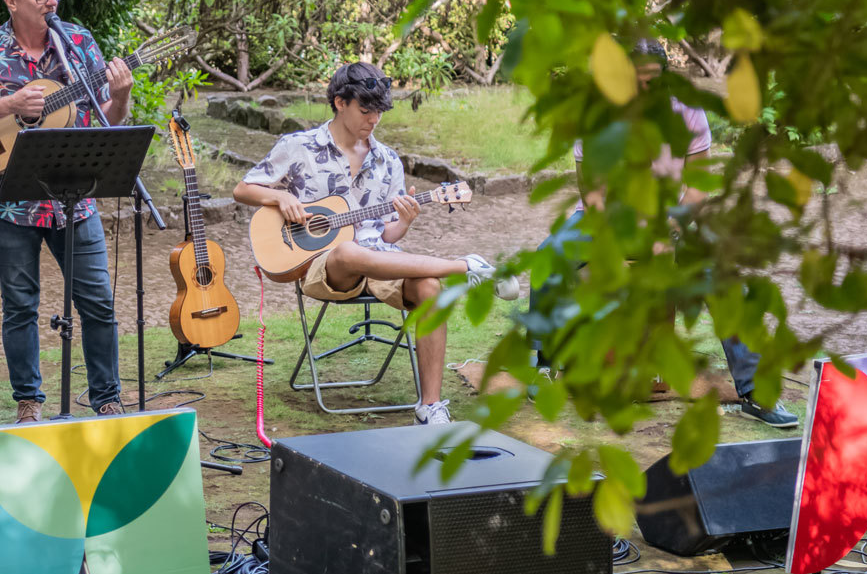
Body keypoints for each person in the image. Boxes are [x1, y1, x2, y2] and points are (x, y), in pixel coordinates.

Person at [233, 62, 518, 425]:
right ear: (340, 102)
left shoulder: (387, 161)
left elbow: (387, 236)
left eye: (379, 113)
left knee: (429, 286)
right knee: (349, 250)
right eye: (365, 111)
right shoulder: (298, 146)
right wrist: (278, 199)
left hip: (381, 259)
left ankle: (429, 406)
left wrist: (404, 220)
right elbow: (242, 189)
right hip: (324, 265)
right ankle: (466, 266)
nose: (374, 120)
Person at [0, 0, 133, 423]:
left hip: (75, 198)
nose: (52, 0)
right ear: (12, 1)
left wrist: (120, 94)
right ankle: (29, 403)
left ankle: (107, 399)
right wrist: (9, 103)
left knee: (98, 302)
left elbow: (109, 120)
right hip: (10, 205)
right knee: (20, 305)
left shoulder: (78, 44)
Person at [571, 40, 796, 427]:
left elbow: (697, 188)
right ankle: (543, 367)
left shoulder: (688, 111)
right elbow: (591, 192)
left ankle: (756, 392)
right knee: (552, 255)